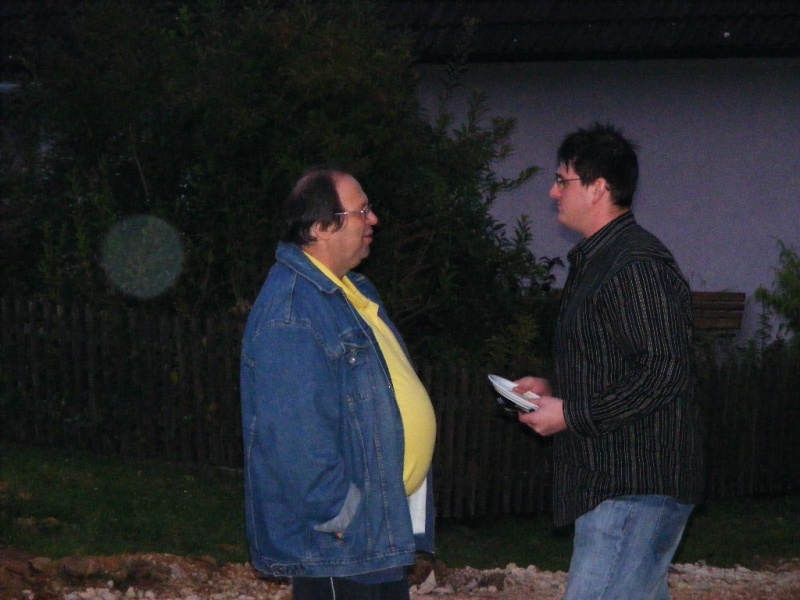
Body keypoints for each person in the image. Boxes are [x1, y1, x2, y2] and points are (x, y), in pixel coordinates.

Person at [514, 123, 706, 599]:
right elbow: (617, 364)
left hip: (633, 486)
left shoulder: (635, 264)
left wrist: (571, 414)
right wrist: (553, 391)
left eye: (562, 180)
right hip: (620, 486)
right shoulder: (603, 260)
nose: (553, 192)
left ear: (598, 188)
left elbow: (664, 369)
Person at [240, 168, 436, 600]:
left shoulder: (350, 292)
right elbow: (293, 435)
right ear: (320, 227)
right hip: (343, 546)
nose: (373, 219)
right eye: (361, 211)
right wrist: (341, 515)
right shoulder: (292, 313)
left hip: (377, 532)